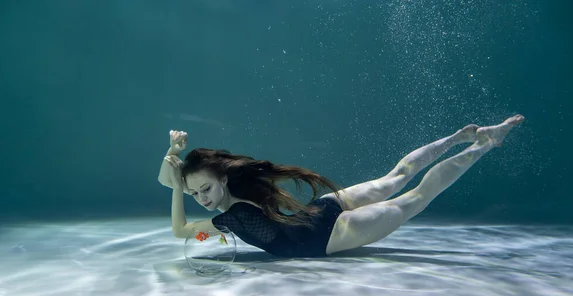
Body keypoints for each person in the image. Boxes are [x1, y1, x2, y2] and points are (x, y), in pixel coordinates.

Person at [158, 114, 525, 258]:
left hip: (331, 234)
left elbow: (180, 231)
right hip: (325, 208)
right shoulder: (243, 192)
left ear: (222, 178)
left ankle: (484, 143)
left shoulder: (234, 216)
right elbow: (187, 222)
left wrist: (176, 185)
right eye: (193, 194)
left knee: (414, 197)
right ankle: (462, 136)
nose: (200, 199)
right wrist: (178, 170)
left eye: (204, 189)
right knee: (396, 177)